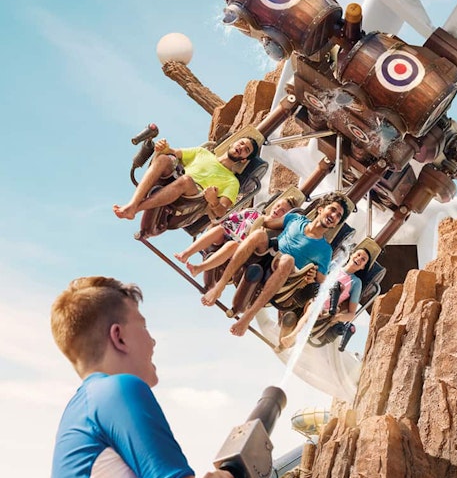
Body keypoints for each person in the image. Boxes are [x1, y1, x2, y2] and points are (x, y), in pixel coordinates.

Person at [50, 276, 245, 478]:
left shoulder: (83, 409)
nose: (152, 341)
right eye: (143, 326)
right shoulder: (118, 391)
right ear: (119, 337)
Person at [201, 193, 352, 337]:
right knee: (259, 235)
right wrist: (259, 217)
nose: (334, 216)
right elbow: (267, 222)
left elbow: (322, 279)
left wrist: (313, 275)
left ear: (336, 223)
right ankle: (219, 287)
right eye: (332, 210)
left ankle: (247, 317)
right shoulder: (296, 219)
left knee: (288, 260)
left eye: (338, 216)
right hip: (268, 253)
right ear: (320, 209)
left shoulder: (325, 250)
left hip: (285, 272)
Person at [113, 134, 259, 223]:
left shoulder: (232, 182)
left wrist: (214, 201)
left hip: (191, 199)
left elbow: (221, 212)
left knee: (186, 180)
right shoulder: (203, 152)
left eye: (246, 150)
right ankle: (132, 205)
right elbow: (172, 152)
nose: (241, 147)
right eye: (241, 143)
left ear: (244, 159)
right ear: (233, 143)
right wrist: (162, 147)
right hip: (176, 177)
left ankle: (135, 209)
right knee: (164, 158)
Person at [174, 189, 303, 277]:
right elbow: (231, 220)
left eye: (283, 211)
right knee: (220, 229)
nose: (278, 210)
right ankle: (185, 254)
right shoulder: (253, 213)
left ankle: (199, 268)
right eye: (278, 206)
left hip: (243, 251)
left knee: (232, 245)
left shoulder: (277, 233)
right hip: (230, 235)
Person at [277, 242, 375, 351]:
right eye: (358, 255)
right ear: (351, 254)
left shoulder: (356, 283)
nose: (359, 258)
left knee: (315, 307)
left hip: (326, 309)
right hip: (312, 295)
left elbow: (351, 314)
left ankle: (292, 336)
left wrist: (338, 317)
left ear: (363, 267)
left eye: (363, 259)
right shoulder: (334, 266)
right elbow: (318, 279)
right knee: (312, 304)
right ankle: (287, 337)